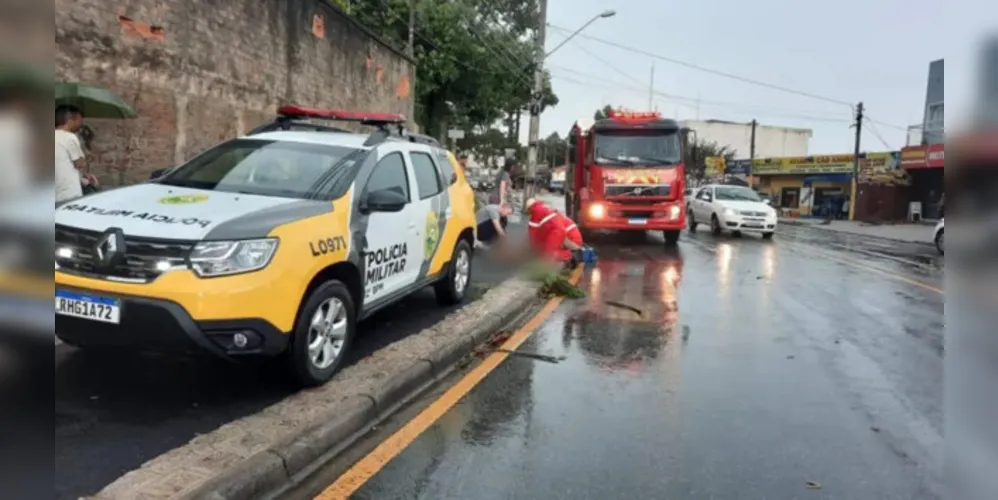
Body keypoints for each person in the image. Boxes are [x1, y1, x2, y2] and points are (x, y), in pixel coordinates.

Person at [55, 105, 97, 203]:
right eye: (79, 120)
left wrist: (82, 176)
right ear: (70, 119)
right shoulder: (69, 137)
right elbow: (80, 163)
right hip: (68, 193)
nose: (80, 124)